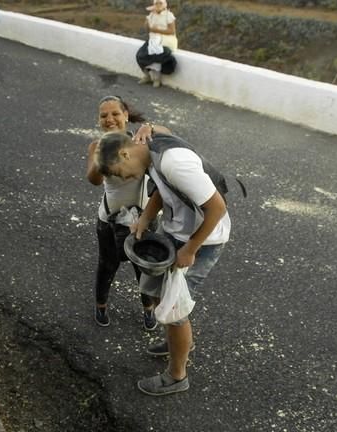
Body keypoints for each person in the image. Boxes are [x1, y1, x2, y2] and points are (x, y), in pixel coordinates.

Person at [94, 131, 229, 396]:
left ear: (125, 153)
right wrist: (145, 218)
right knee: (153, 287)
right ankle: (178, 342)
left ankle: (177, 376)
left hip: (203, 239)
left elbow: (218, 207)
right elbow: (164, 189)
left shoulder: (174, 162)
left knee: (175, 308)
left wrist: (191, 249)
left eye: (121, 172)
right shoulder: (150, 157)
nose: (125, 178)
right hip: (177, 231)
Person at [87, 96, 171, 330]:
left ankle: (148, 309)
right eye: (104, 115)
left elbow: (169, 134)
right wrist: (99, 157)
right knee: (107, 264)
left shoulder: (141, 141)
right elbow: (93, 180)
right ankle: (101, 305)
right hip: (110, 219)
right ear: (99, 120)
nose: (109, 119)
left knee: (144, 266)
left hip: (144, 217)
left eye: (115, 113)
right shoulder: (96, 145)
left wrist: (150, 127)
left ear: (125, 115)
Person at [136, 0, 178, 88]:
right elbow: (147, 29)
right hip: (153, 40)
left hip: (166, 41)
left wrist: (156, 30)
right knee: (140, 55)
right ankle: (147, 75)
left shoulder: (168, 15)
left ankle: (157, 79)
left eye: (160, 3)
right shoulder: (152, 14)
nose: (158, 5)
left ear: (164, 4)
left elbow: (172, 31)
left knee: (156, 56)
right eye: (156, 3)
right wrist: (148, 19)